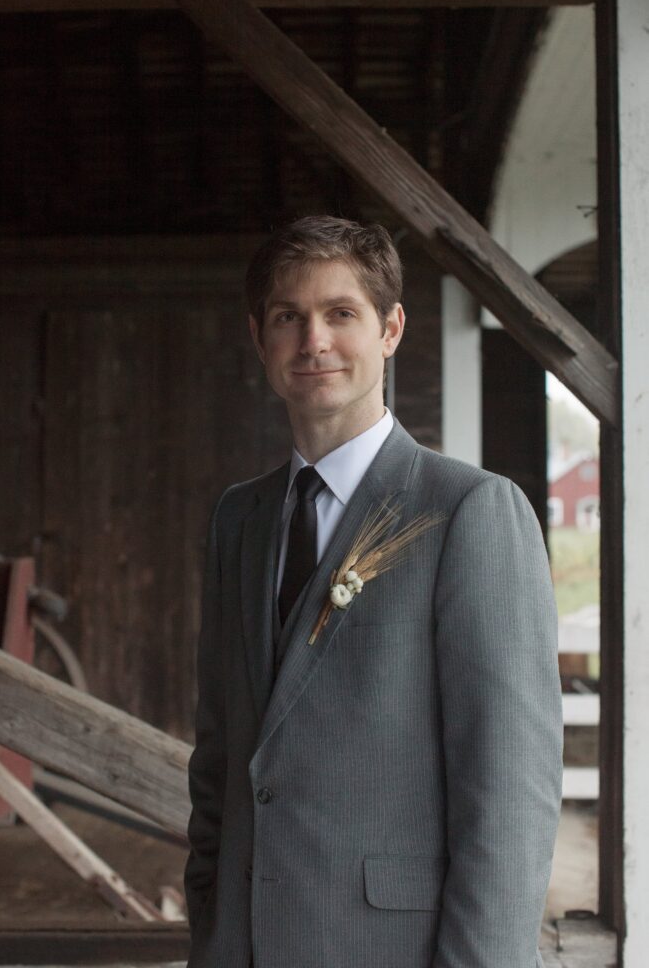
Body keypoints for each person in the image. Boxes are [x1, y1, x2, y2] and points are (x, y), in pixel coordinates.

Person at [184, 215, 563, 968]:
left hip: (392, 947)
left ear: (390, 329)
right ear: (259, 336)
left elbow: (509, 795)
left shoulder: (466, 511)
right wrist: (209, 920)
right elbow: (221, 751)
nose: (313, 340)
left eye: (340, 313)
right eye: (288, 317)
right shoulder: (240, 517)